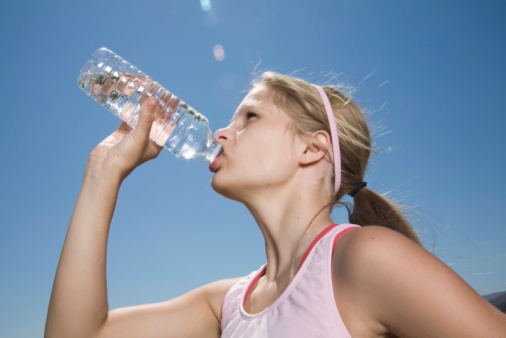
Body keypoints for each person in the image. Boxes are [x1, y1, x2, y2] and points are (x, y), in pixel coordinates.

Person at [45, 71, 506, 337]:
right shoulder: (227, 304)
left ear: (312, 148)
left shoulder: (365, 259)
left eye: (249, 116)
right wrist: (102, 173)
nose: (222, 132)